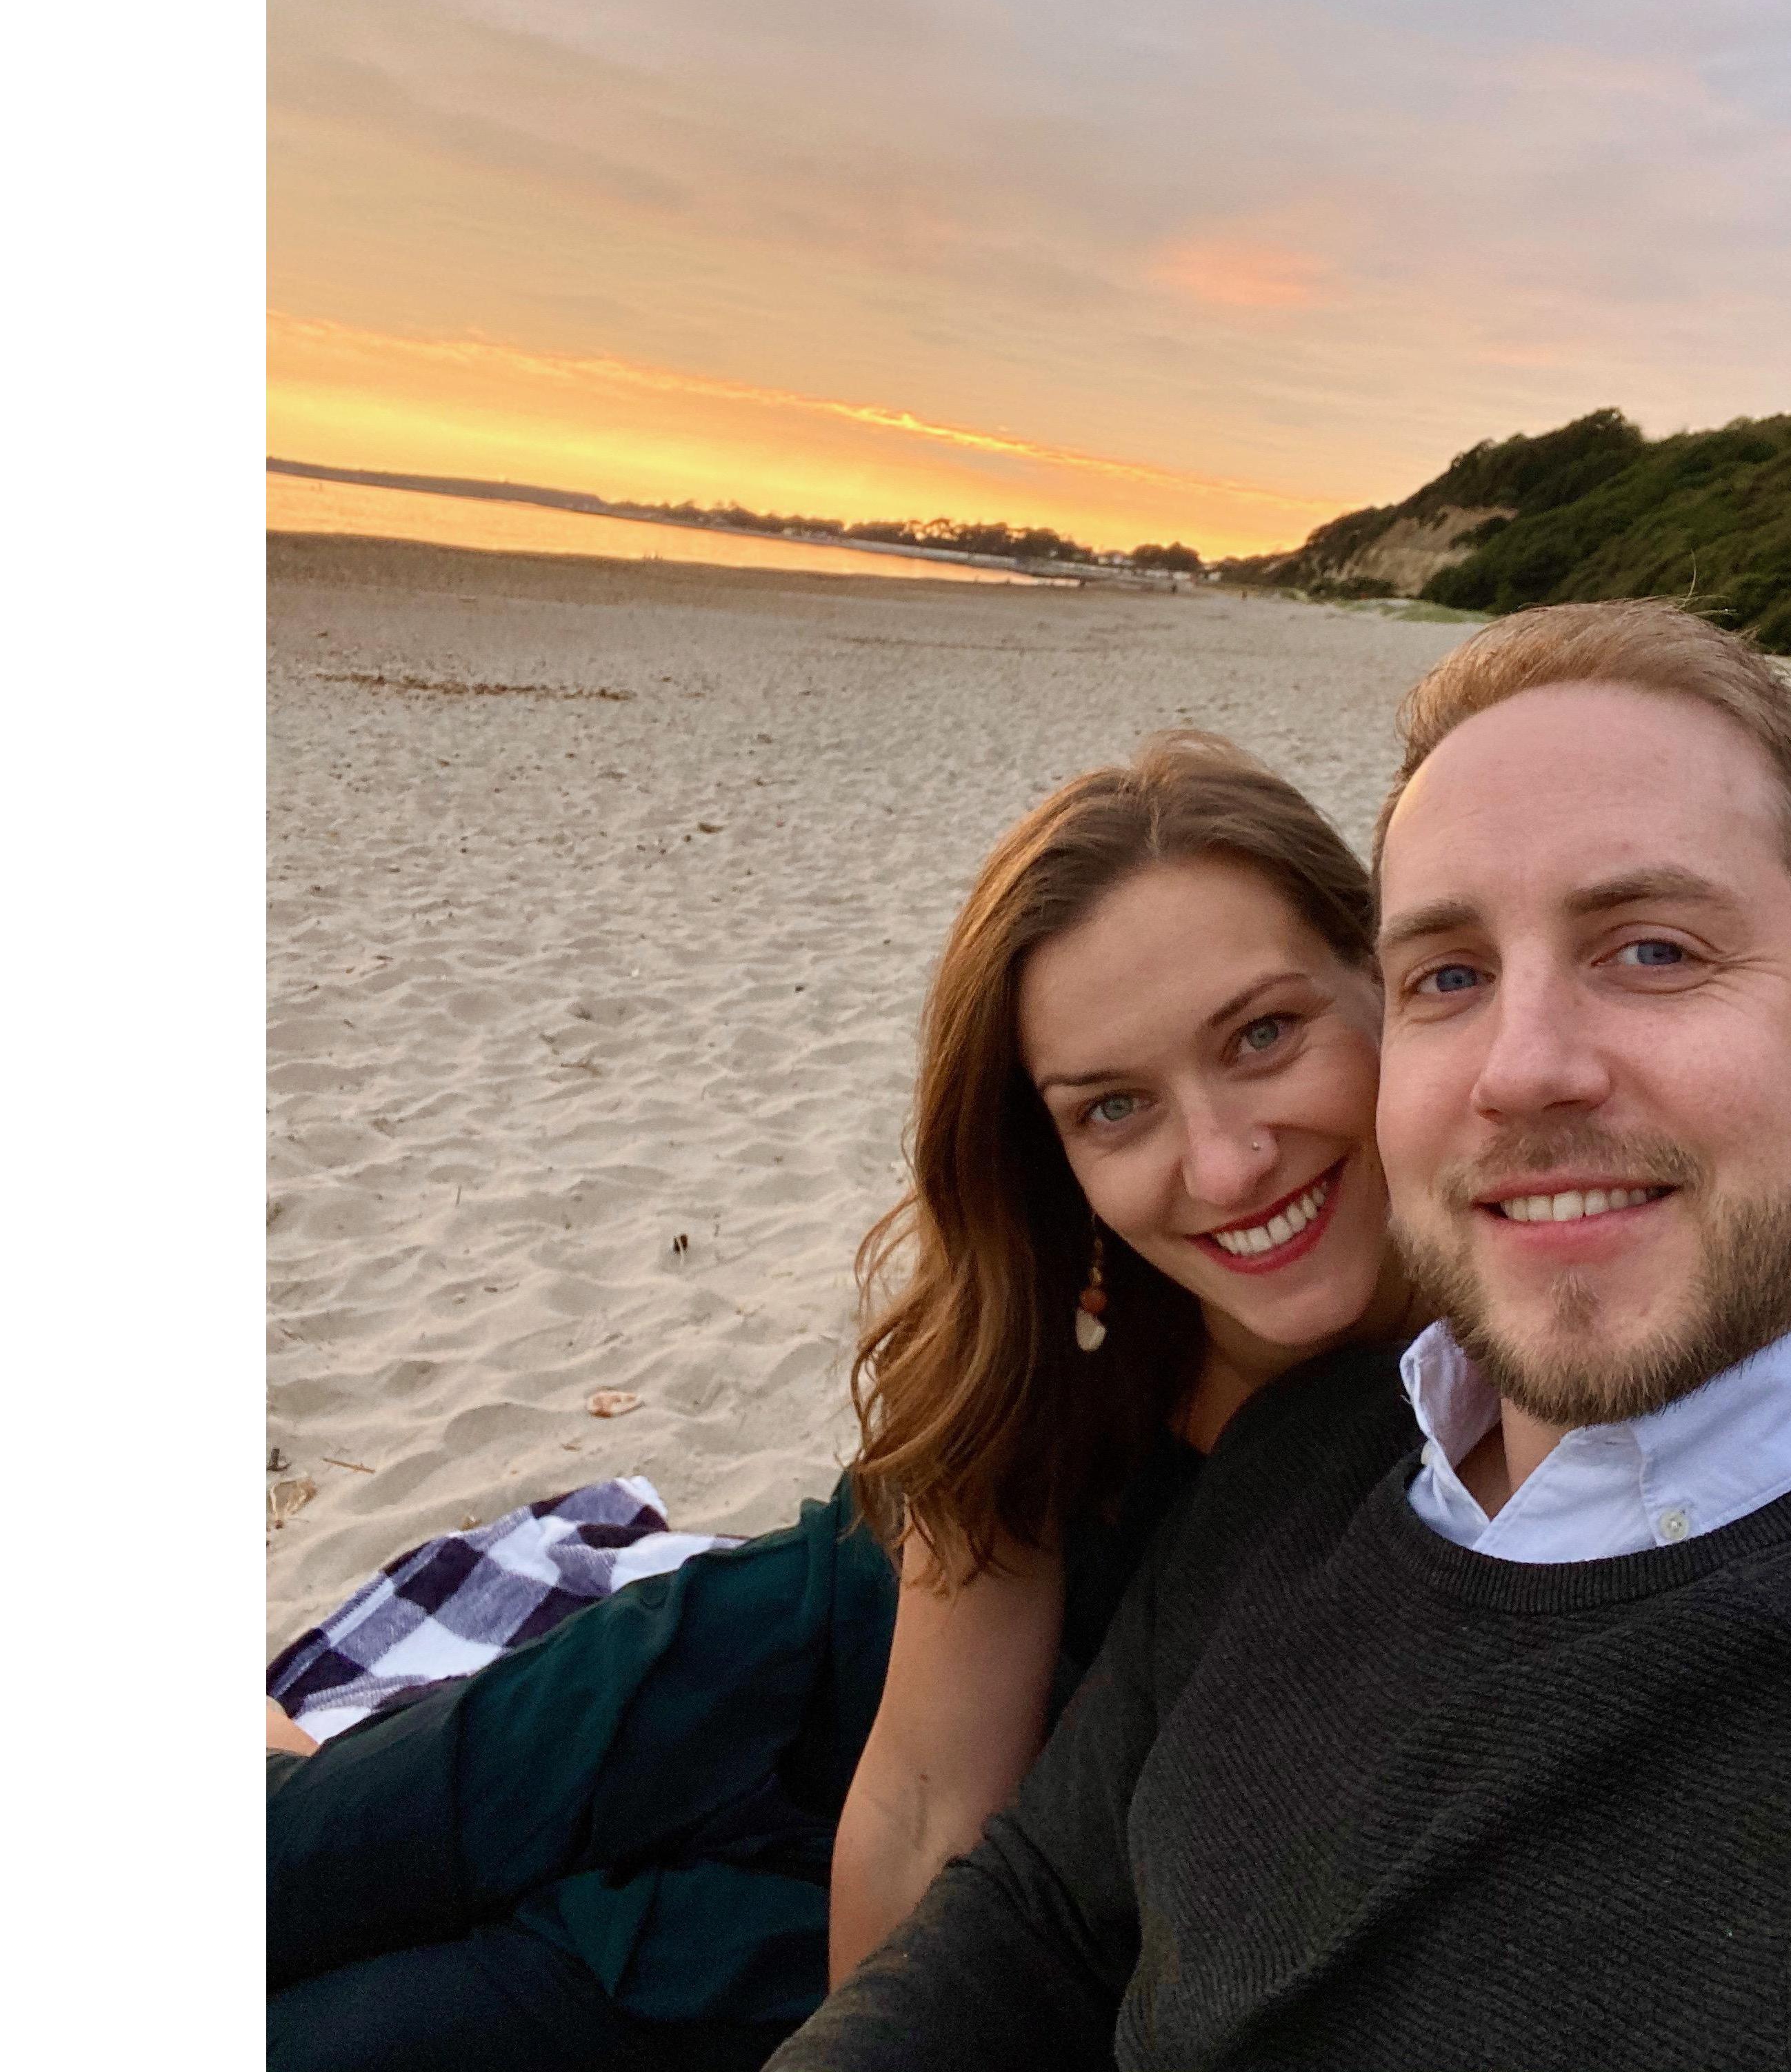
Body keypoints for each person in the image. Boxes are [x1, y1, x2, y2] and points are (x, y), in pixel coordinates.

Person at [769, 598, 1791, 2071]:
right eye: (1450, 977)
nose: (1521, 1066)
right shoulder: (1314, 1443)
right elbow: (1023, 1910)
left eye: (1653, 947)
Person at [266, 732, 1427, 2071]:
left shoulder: (1526, 1361)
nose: (1222, 1161)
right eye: (1113, 1106)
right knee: (294, 1865)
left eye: (1263, 1033)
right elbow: (923, 1790)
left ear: (1387, 981)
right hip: (765, 1666)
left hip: (853, 1903)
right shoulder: (1068, 1332)